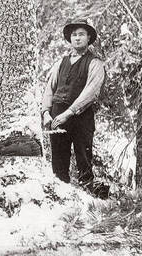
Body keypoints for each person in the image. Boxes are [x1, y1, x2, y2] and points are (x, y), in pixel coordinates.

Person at [42, 19, 105, 195]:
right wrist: (46, 112)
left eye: (81, 34)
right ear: (70, 39)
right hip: (57, 117)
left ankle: (89, 202)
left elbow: (90, 93)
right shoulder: (60, 63)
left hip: (81, 118)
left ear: (88, 37)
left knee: (83, 160)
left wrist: (69, 113)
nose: (77, 38)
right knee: (58, 163)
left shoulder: (95, 64)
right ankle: (61, 199)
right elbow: (50, 88)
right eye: (74, 35)